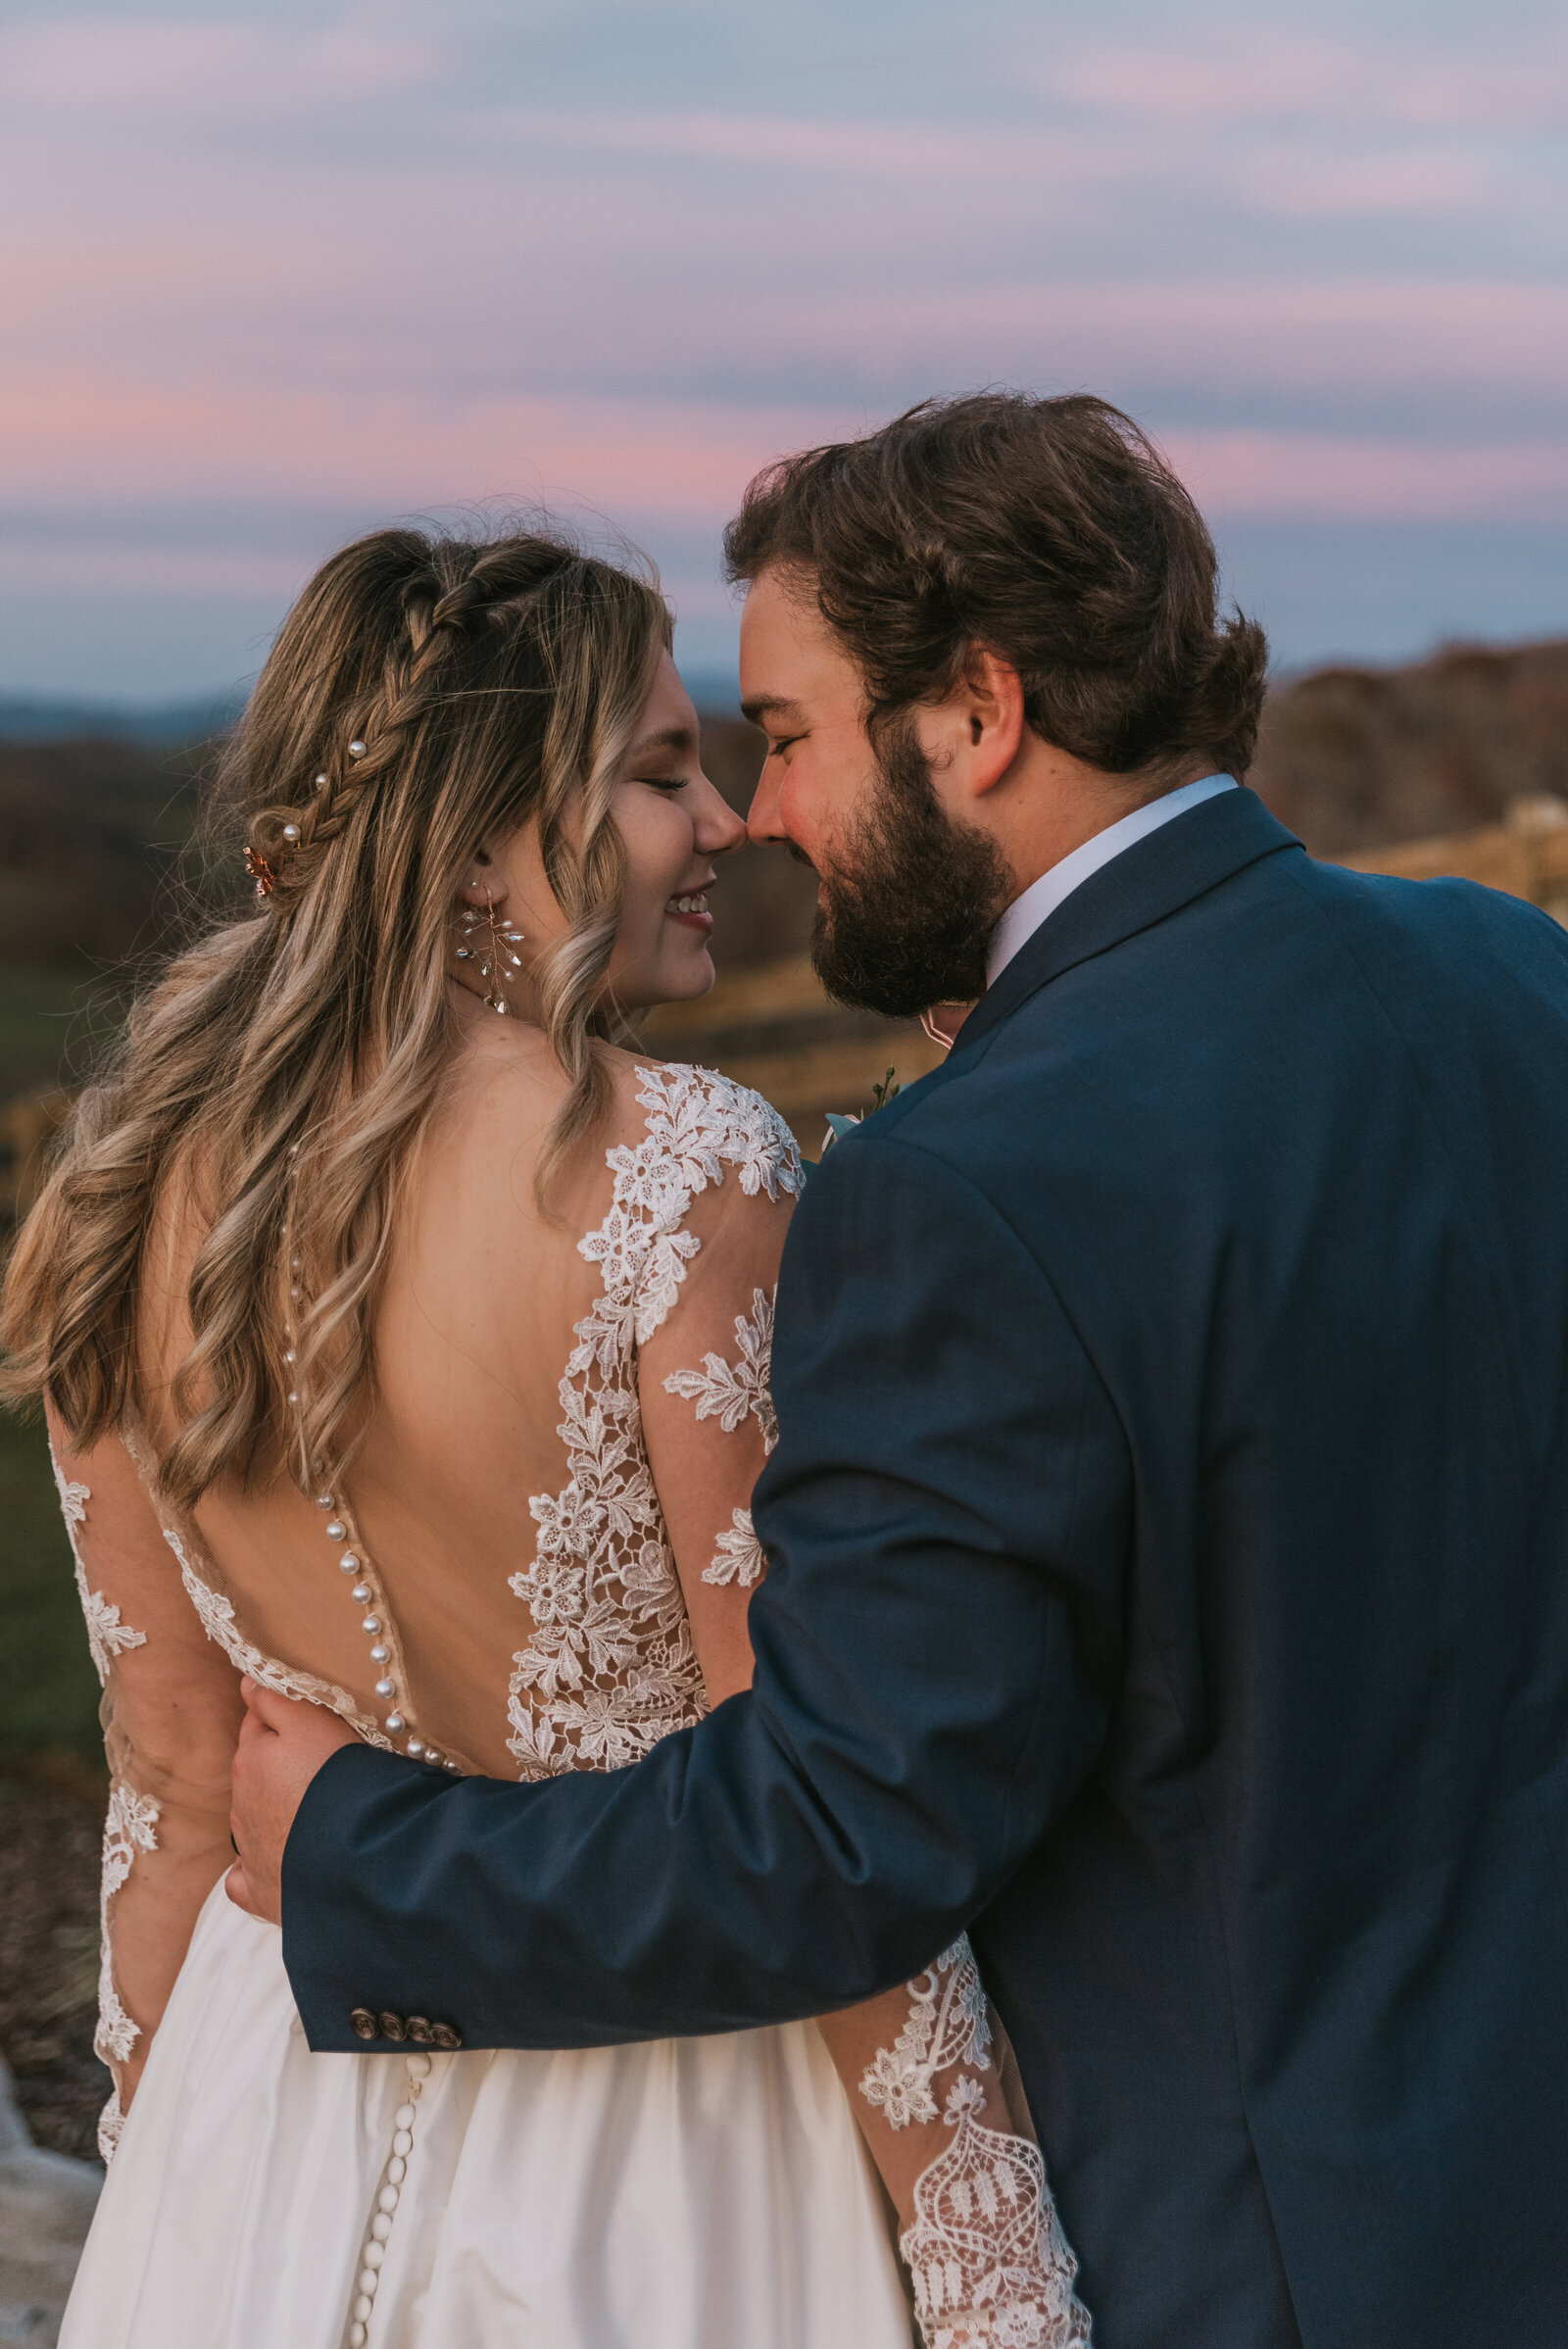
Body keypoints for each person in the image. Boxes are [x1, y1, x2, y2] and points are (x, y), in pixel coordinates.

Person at [236, 394, 1568, 2348]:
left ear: (976, 710)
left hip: (1253, 2258)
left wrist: (360, 1851)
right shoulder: (1510, 978)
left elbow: (840, 1836)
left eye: (784, 735)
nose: (761, 811)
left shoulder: (972, 1185)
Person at [1, 523, 1086, 2348]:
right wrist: (988, 2259)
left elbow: (173, 1794)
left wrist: (167, 2154)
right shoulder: (686, 1171)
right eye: (663, 771)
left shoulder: (121, 1194)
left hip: (259, 2117)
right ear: (484, 827)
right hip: (672, 2146)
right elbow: (824, 1804)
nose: (727, 819)